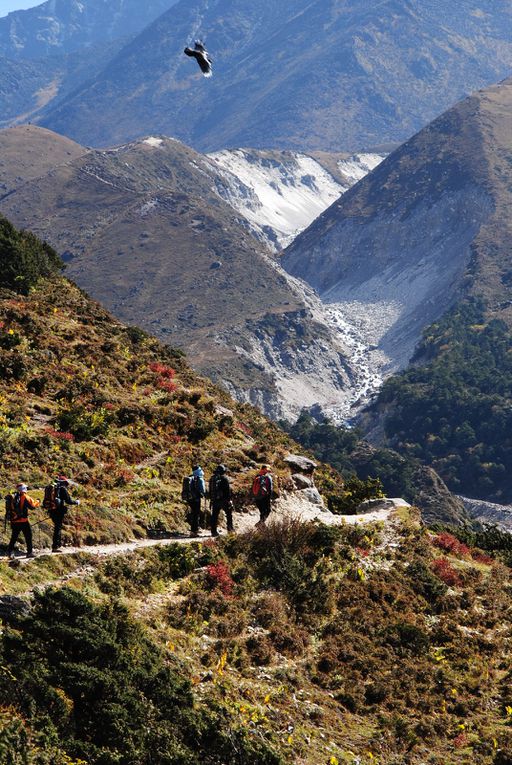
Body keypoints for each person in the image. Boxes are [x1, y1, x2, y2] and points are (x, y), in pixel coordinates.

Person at [45, 475, 80, 553]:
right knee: (58, 528)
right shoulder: (62, 489)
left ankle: (57, 546)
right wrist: (77, 502)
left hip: (51, 510)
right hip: (59, 511)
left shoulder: (50, 488)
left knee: (57, 527)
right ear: (64, 482)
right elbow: (69, 501)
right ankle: (55, 547)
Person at [5, 483, 39, 559]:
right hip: (23, 521)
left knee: (14, 537)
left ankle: (9, 552)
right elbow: (32, 507)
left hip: (14, 520)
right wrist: (37, 501)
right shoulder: (25, 497)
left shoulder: (12, 497)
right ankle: (29, 552)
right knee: (28, 536)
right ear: (24, 489)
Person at [208, 464, 234, 537]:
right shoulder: (224, 479)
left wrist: (211, 499)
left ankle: (213, 532)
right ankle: (230, 530)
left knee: (214, 516)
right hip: (224, 500)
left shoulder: (212, 479)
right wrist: (229, 500)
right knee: (229, 515)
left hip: (214, 500)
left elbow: (210, 490)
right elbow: (227, 491)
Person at [182, 465, 206, 537]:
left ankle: (194, 530)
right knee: (196, 514)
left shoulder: (190, 477)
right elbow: (203, 490)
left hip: (189, 498)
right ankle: (194, 531)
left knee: (193, 513)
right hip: (196, 499)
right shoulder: (199, 479)